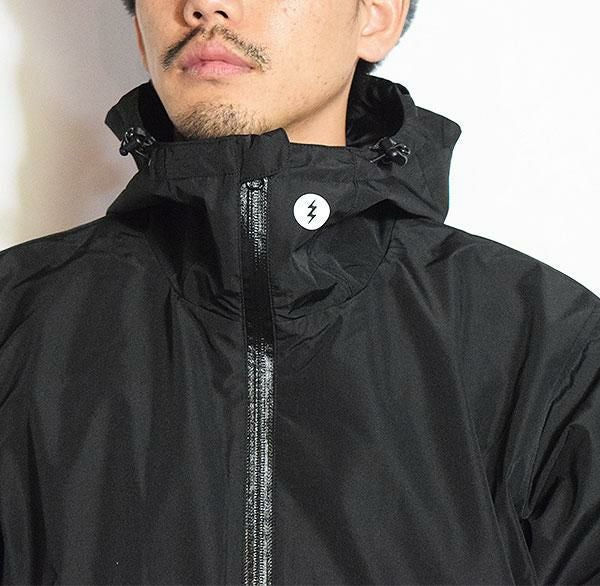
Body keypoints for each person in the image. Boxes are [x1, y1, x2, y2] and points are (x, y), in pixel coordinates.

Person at [1, 0, 598, 584]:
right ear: (140, 34)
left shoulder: (549, 350)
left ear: (376, 15)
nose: (204, 6)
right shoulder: (14, 319)